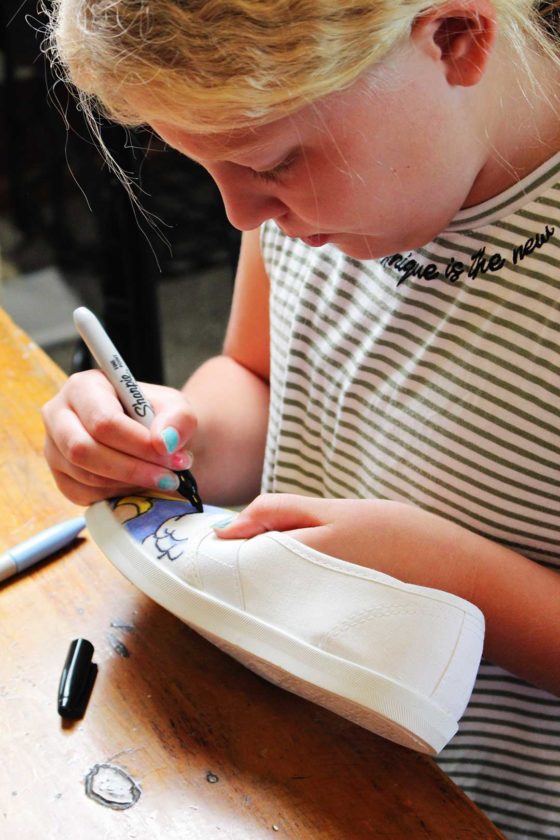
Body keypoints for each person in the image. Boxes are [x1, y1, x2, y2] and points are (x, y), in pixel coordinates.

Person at [41, 1, 560, 836]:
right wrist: (178, 436)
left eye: (274, 162)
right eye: (205, 168)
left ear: (455, 37)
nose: (241, 216)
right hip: (298, 753)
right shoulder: (309, 200)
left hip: (475, 807)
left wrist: (450, 577)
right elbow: (257, 376)